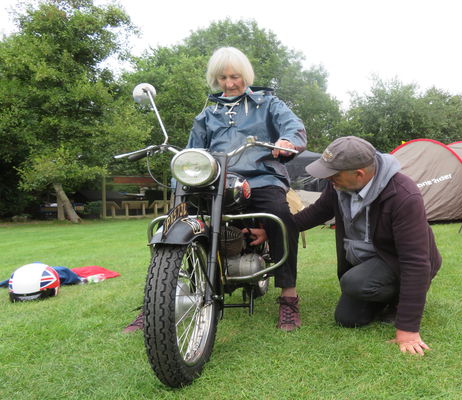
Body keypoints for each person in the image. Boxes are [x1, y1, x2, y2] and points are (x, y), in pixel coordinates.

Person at [124, 46, 306, 333]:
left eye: (235, 76)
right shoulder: (207, 115)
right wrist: (182, 182)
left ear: (245, 75)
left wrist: (287, 140)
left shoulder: (269, 104)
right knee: (177, 217)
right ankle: (159, 297)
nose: (230, 83)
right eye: (223, 78)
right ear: (215, 79)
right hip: (216, 181)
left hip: (262, 177)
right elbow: (194, 151)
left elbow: (293, 127)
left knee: (280, 214)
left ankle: (288, 296)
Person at [292, 136, 441, 354]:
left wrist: (408, 330)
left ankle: (400, 301)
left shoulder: (403, 195)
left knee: (355, 283)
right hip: (372, 263)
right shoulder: (338, 186)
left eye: (333, 174)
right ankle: (384, 298)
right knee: (347, 319)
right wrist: (271, 230)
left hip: (399, 262)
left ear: (359, 174)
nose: (328, 179)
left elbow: (415, 263)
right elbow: (315, 213)